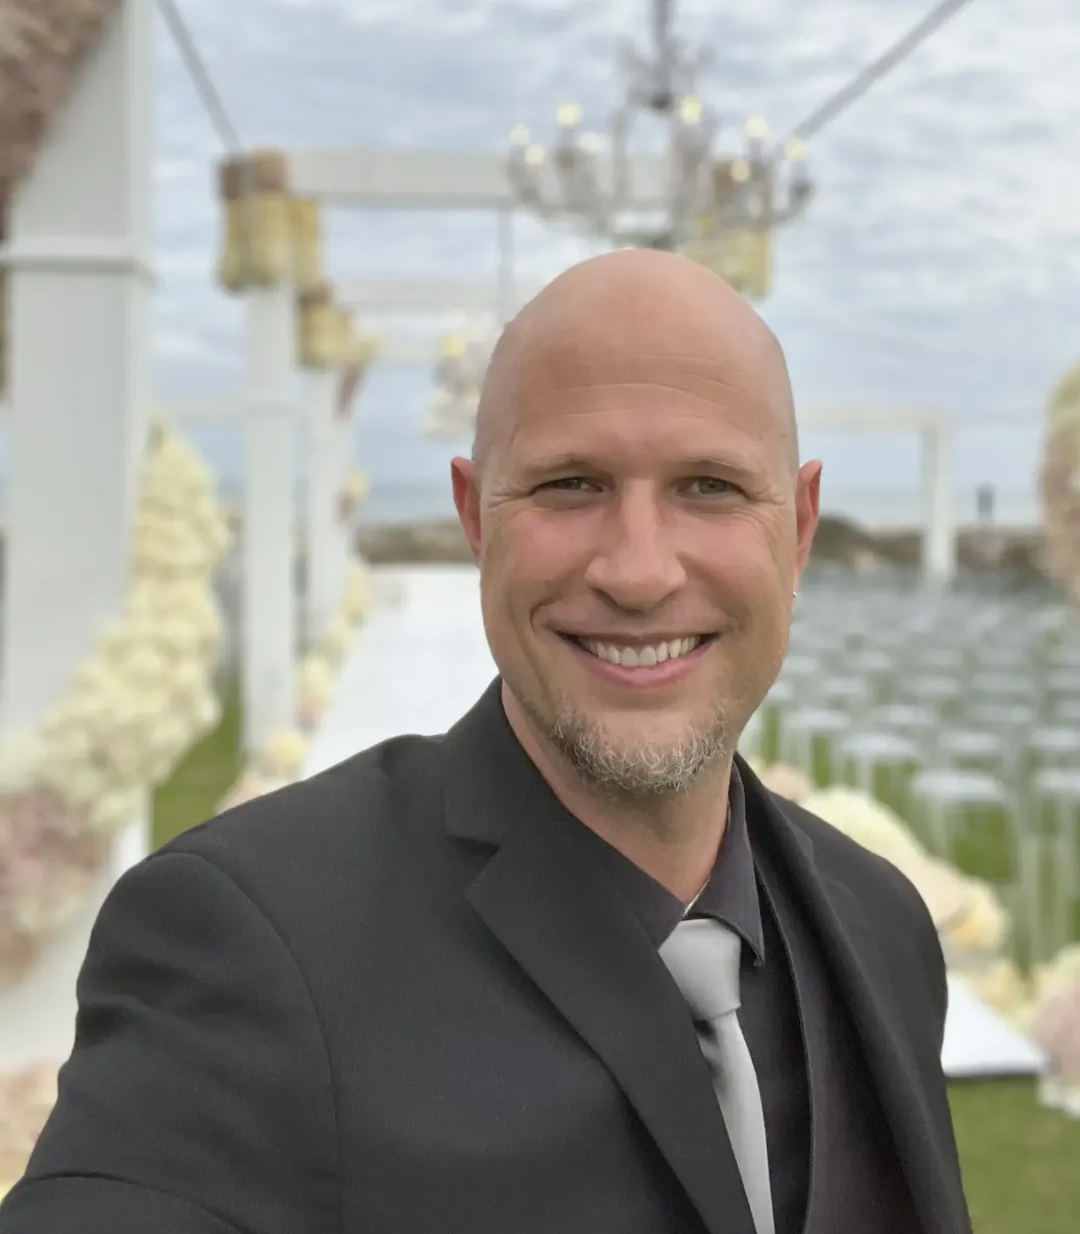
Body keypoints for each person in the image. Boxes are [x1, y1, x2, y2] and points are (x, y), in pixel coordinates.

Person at [0, 249, 973, 1234]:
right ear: (476, 519)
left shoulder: (881, 925)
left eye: (710, 486)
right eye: (571, 485)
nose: (638, 571)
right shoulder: (247, 940)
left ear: (799, 528)